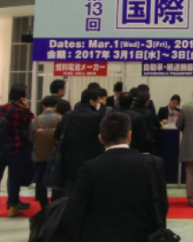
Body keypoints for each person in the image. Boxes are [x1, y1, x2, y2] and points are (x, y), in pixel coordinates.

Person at [63, 113, 168, 242]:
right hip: (143, 237)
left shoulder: (90, 167)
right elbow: (162, 205)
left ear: (101, 138)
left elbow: (75, 210)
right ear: (129, 135)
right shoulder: (153, 164)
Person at [0, 86, 34, 218]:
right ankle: (13, 208)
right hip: (15, 149)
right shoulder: (20, 111)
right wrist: (27, 108)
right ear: (22, 99)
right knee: (14, 178)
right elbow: (30, 123)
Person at [54, 88, 104, 196]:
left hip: (70, 157)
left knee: (69, 188)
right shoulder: (97, 117)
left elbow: (57, 134)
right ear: (91, 102)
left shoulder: (68, 115)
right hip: (91, 156)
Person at [28, 96, 61, 209]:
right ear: (56, 106)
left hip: (39, 153)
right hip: (55, 153)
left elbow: (31, 138)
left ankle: (43, 204)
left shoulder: (35, 120)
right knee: (56, 177)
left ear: (43, 106)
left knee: (40, 177)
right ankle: (55, 203)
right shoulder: (61, 119)